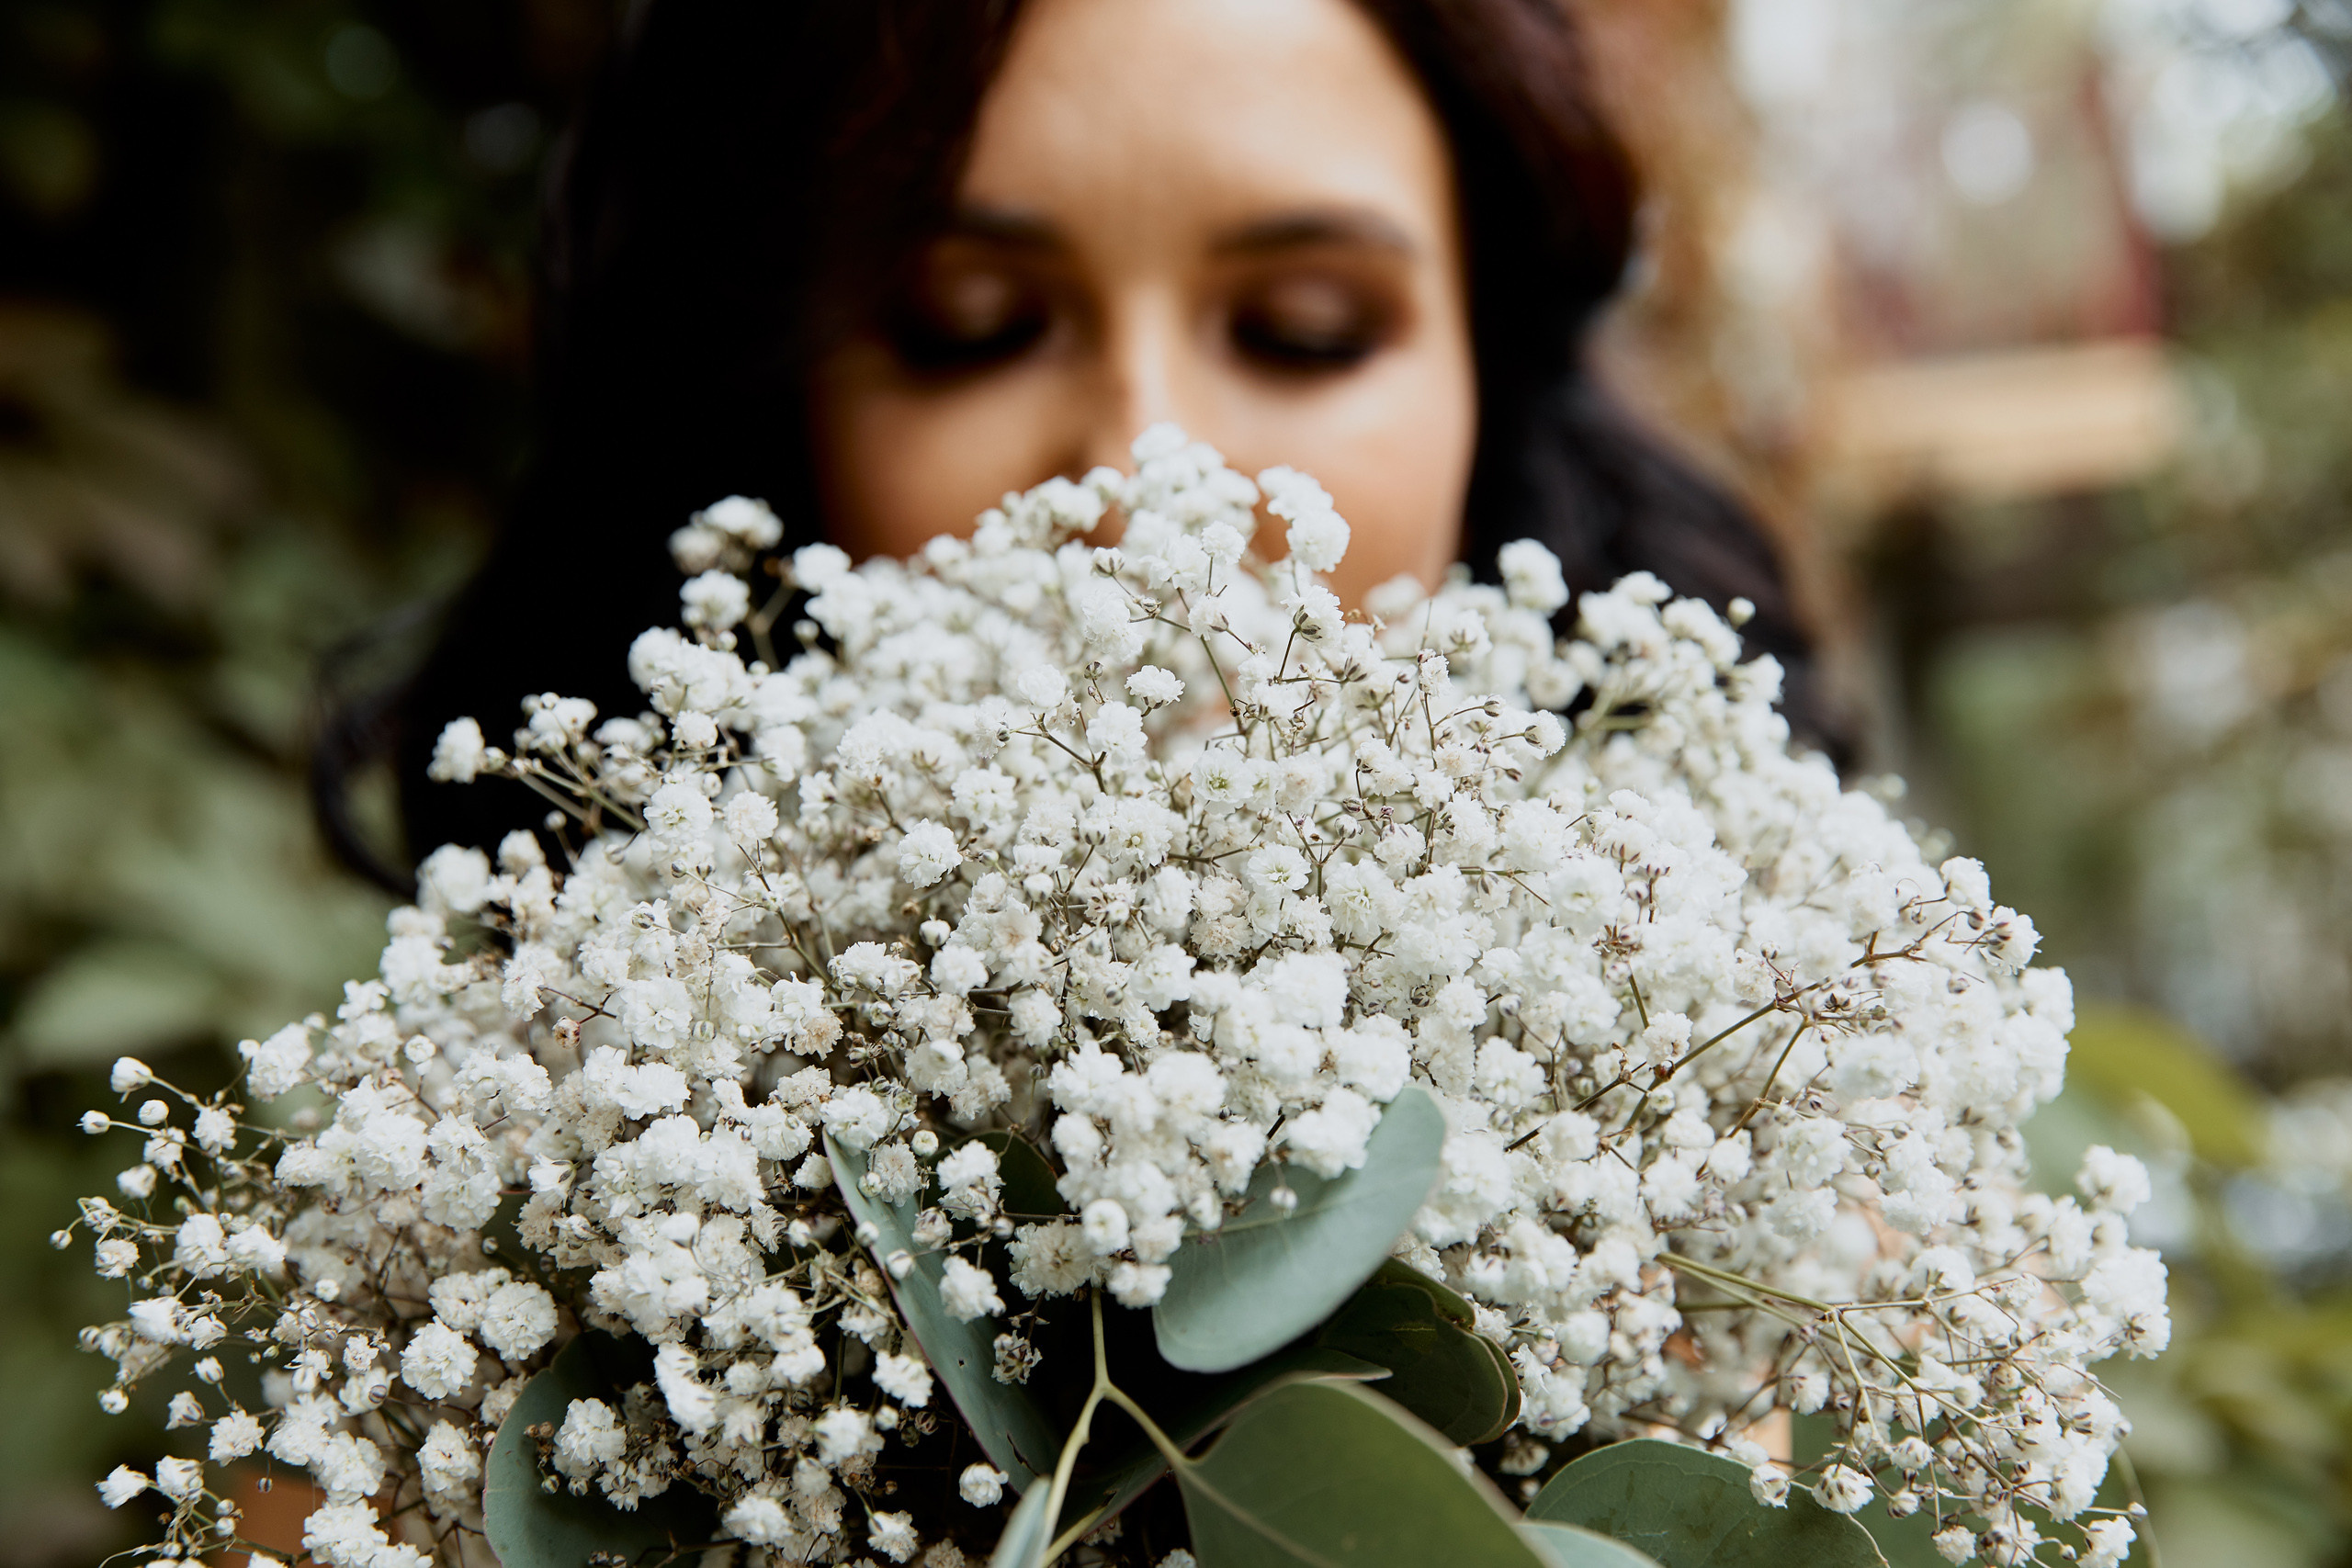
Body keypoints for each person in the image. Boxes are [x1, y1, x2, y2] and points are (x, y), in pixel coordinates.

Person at [352, 0, 1824, 886]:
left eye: (1302, 328)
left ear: (1487, 383)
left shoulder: (1791, 1153)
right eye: (969, 325)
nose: (1143, 489)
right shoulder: (540, 1191)